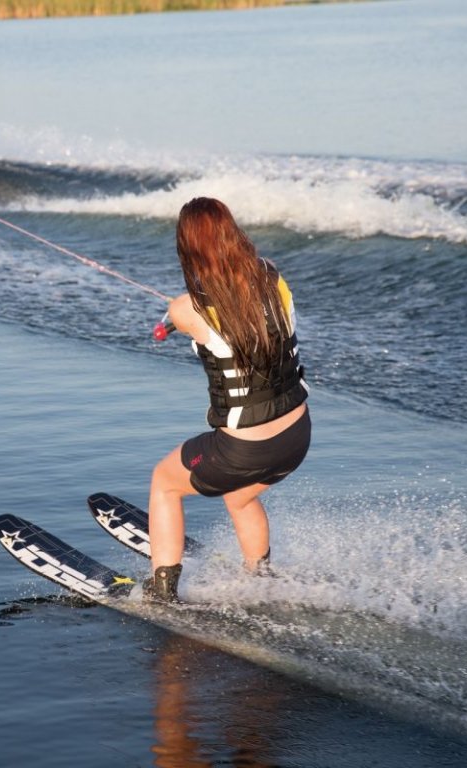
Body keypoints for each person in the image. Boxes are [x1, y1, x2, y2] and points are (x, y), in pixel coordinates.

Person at [143, 197, 311, 602]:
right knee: (240, 497)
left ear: (190, 248)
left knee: (164, 484)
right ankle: (261, 577)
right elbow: (235, 301)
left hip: (242, 449)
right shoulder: (274, 277)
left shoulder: (188, 310)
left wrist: (174, 314)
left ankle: (162, 591)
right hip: (297, 436)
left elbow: (181, 316)